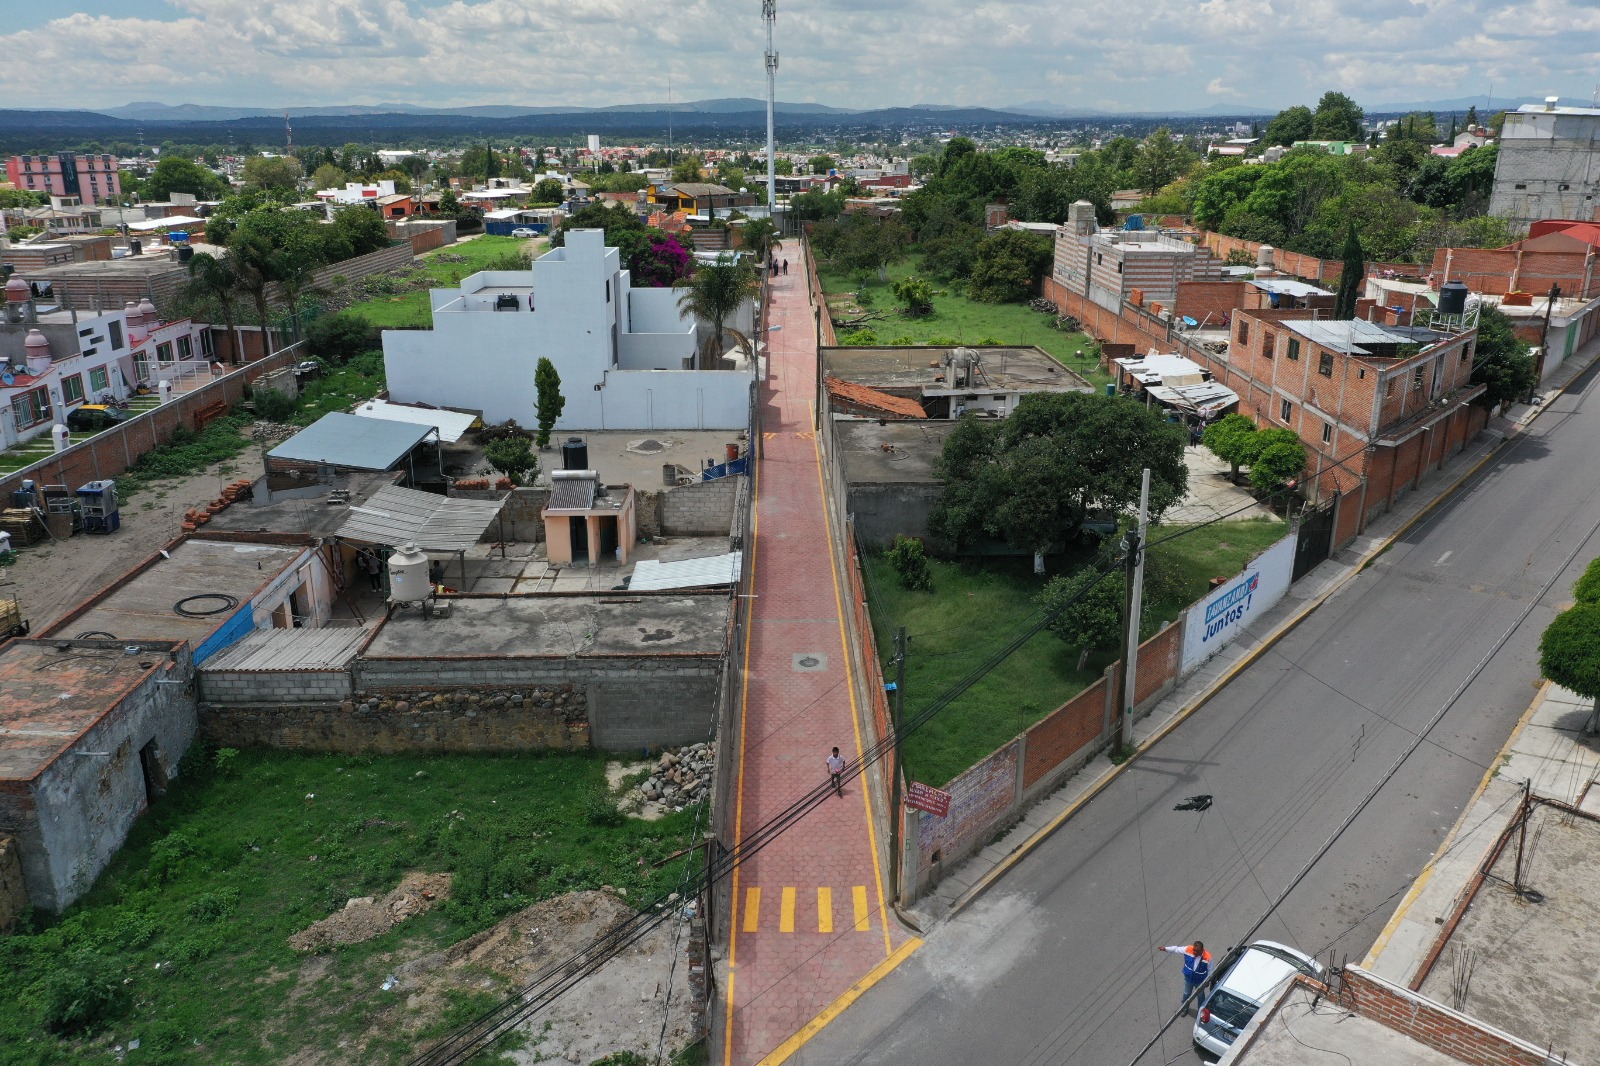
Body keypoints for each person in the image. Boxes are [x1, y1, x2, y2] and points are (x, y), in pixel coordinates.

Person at [1157, 941, 1212, 1015]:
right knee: (1186, 994)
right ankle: (1184, 1008)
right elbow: (1176, 949)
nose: (1195, 952)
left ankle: (1200, 1012)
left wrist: (1207, 981)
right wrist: (1165, 949)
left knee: (1200, 996)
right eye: (1194, 950)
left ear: (1202, 949)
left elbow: (1210, 970)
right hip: (1188, 978)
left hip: (1200, 981)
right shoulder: (1188, 949)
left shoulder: (1208, 957)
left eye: (1197, 951)